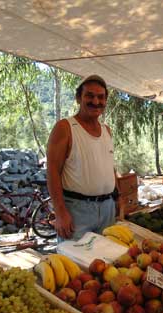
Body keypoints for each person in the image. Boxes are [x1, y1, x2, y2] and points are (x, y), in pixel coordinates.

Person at [47, 75, 117, 241]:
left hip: (108, 208)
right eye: (90, 95)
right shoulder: (65, 128)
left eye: (101, 97)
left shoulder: (106, 130)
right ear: (79, 98)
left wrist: (117, 198)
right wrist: (61, 213)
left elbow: (108, 167)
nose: (96, 101)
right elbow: (52, 172)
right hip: (77, 211)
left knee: (105, 262)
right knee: (75, 263)